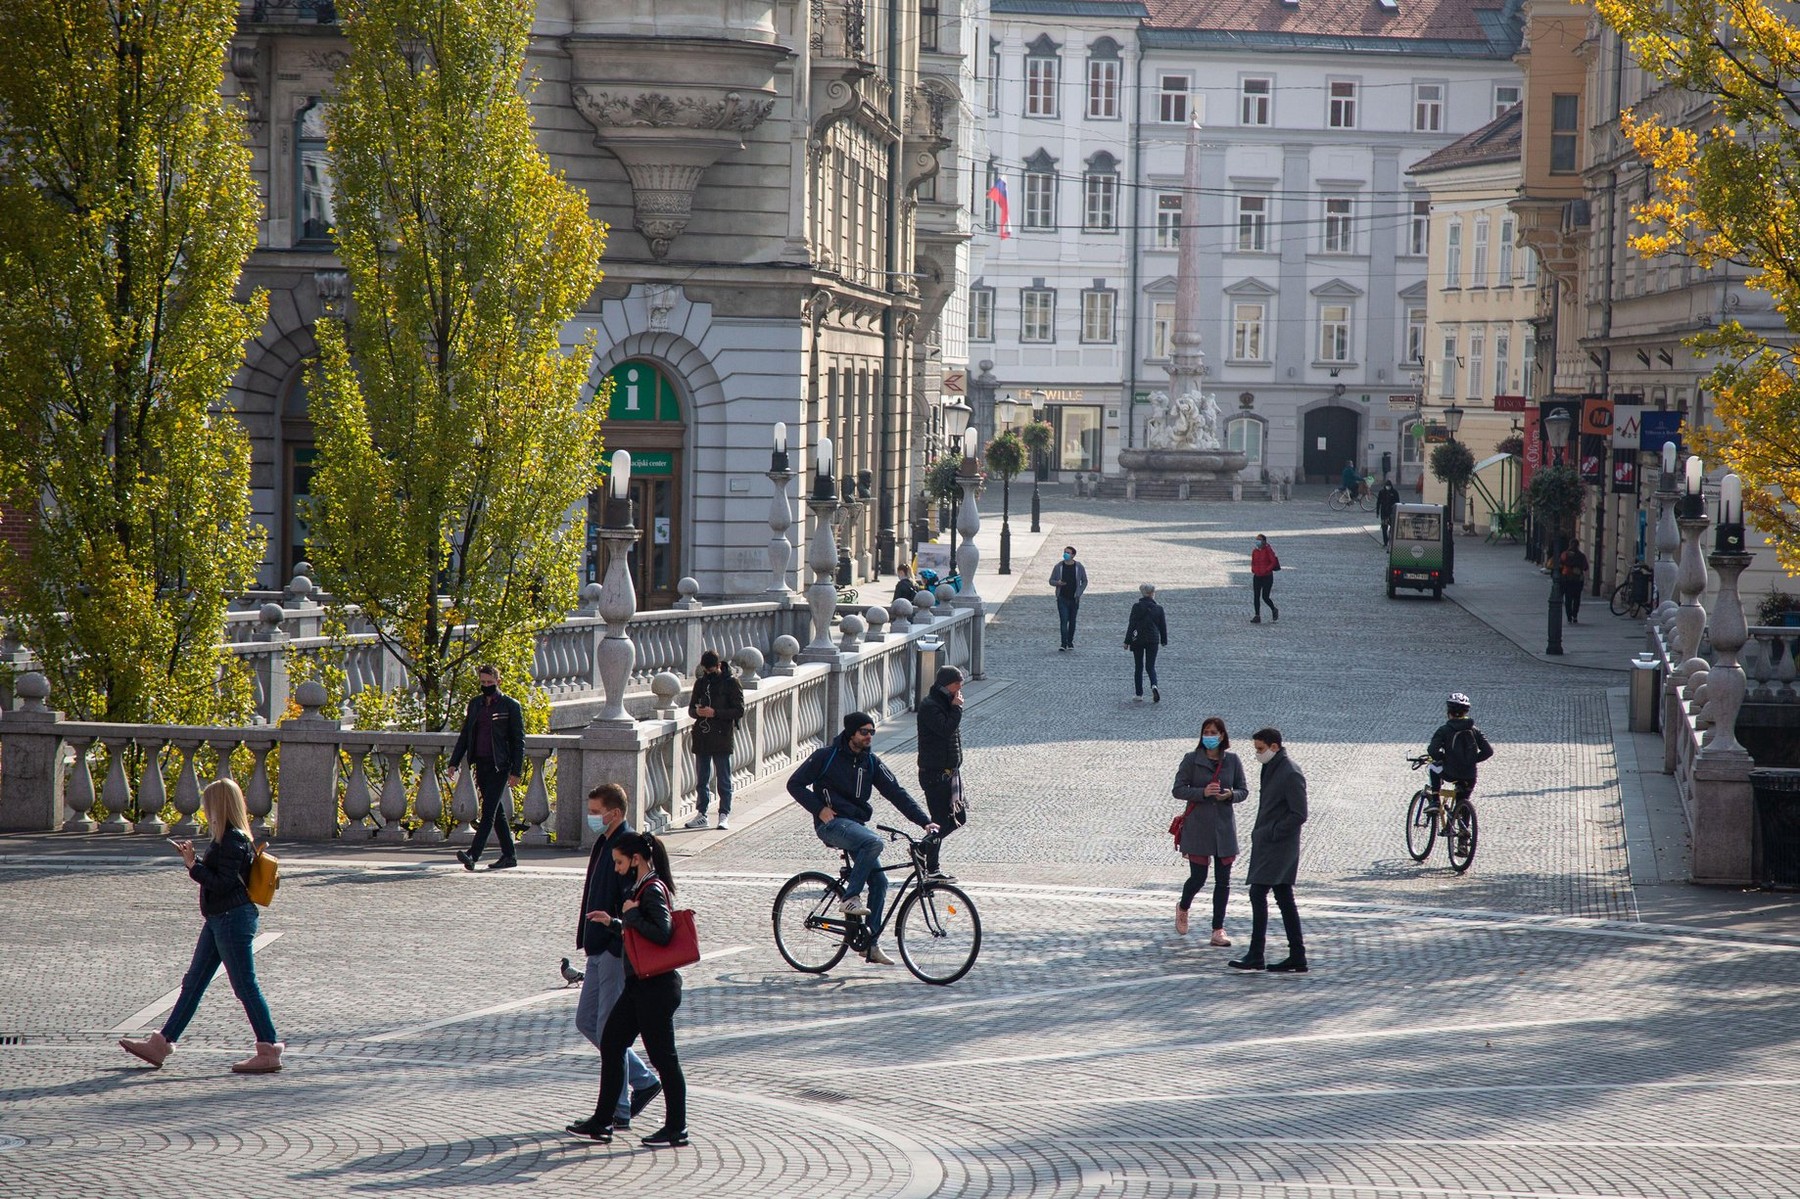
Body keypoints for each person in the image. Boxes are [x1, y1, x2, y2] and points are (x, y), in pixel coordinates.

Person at [119, 779, 284, 1074]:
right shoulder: (229, 838)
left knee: (244, 984)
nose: (206, 810)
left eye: (208, 804)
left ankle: (268, 1049)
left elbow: (223, 883)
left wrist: (193, 866)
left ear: (219, 805)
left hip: (232, 918)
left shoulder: (232, 839)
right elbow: (223, 878)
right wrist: (192, 860)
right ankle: (161, 1044)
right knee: (193, 982)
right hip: (220, 918)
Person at [787, 712, 938, 966]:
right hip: (831, 825)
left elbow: (896, 793)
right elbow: (795, 784)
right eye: (864, 732)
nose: (869, 737)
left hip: (854, 826)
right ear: (851, 734)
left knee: (879, 882)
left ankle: (870, 945)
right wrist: (819, 809)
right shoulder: (827, 756)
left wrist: (924, 821)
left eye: (872, 732)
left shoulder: (871, 762)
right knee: (873, 842)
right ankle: (849, 898)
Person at [570, 832, 689, 1147]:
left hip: (656, 989)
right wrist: (614, 922)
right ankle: (602, 1122)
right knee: (611, 1043)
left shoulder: (651, 889)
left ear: (635, 859)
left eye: (620, 862)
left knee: (664, 1059)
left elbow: (662, 934)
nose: (617, 869)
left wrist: (631, 912)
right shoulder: (643, 887)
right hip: (641, 986)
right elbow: (641, 933)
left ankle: (677, 1128)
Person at [571, 784, 662, 1131]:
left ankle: (618, 1109)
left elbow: (630, 901)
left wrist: (612, 936)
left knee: (610, 1031)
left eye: (596, 811)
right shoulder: (603, 842)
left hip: (612, 948)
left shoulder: (626, 846)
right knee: (587, 1021)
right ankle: (642, 1080)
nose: (591, 816)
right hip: (597, 945)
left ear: (615, 814)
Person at [1229, 727, 1309, 974]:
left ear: (1274, 747)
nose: (1257, 754)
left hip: (1279, 845)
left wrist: (1273, 832)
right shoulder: (1273, 767)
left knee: (1259, 893)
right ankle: (1296, 955)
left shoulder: (1290, 773)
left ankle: (1257, 953)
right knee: (1283, 897)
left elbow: (1299, 813)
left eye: (1260, 749)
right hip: (1270, 843)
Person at [1171, 717, 1248, 946]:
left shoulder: (1232, 761)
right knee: (1198, 877)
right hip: (1198, 827)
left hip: (1223, 828)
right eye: (1206, 732)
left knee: (1223, 881)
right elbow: (1178, 789)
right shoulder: (1191, 760)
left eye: (1214, 732)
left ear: (1222, 736)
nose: (1210, 736)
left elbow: (1243, 790)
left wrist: (1230, 796)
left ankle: (1218, 929)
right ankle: (1183, 906)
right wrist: (1202, 792)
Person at [448, 663, 526, 871]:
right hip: (480, 763)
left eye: (490, 682)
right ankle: (509, 855)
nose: (486, 686)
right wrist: (454, 762)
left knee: (488, 811)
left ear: (498, 682)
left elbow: (518, 741)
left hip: (500, 765)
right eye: (482, 682)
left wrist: (516, 771)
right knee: (497, 811)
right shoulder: (475, 704)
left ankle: (473, 854)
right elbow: (465, 735)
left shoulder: (510, 705)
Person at [915, 665, 968, 881]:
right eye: (957, 684)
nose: (960, 689)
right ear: (947, 684)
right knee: (939, 821)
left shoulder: (945, 702)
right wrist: (956, 709)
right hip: (934, 774)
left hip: (949, 773)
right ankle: (932, 869)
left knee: (958, 818)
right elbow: (945, 729)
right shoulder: (930, 706)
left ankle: (922, 849)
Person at [684, 650, 745, 830]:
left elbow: (739, 710)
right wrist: (698, 712)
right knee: (702, 779)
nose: (708, 674)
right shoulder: (701, 683)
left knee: (723, 778)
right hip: (702, 736)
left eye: (711, 670)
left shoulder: (731, 683)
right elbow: (690, 710)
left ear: (719, 666)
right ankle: (702, 814)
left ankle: (724, 813)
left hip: (722, 736)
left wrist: (715, 713)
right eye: (706, 671)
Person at [1427, 692, 1495, 816]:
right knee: (1463, 801)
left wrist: (1443, 758)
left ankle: (1435, 801)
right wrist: (1471, 759)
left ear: (1449, 712)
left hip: (1450, 772)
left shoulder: (1444, 730)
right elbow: (1488, 751)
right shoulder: (1474, 730)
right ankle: (1464, 831)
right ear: (1466, 712)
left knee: (1432, 766)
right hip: (1470, 775)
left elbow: (1432, 751)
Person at [1125, 583, 1169, 703]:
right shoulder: (1159, 609)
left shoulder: (1136, 607)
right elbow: (1162, 626)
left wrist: (1127, 641)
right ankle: (1154, 685)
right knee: (1150, 666)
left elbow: (1132, 624)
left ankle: (1139, 694)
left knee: (1138, 666)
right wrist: (1164, 640)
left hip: (1138, 639)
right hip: (1153, 640)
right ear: (1152, 594)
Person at [1049, 545, 1088, 650]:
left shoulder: (1079, 567)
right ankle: (1063, 643)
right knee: (1063, 620)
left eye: (1068, 552)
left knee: (1072, 621)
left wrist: (1079, 592)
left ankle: (1070, 641)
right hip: (1062, 598)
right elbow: (1051, 580)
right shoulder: (1058, 567)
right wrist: (1058, 583)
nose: (1065, 554)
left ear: (1073, 555)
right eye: (1064, 552)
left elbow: (1084, 580)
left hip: (1074, 599)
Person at [1250, 534, 1280, 624]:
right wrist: (1253, 569)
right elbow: (1253, 562)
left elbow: (1273, 561)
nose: (1257, 541)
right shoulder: (1255, 551)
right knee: (1256, 596)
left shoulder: (1268, 550)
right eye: (1256, 539)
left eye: (1259, 540)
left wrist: (1267, 570)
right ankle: (1257, 615)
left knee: (1265, 597)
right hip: (1257, 576)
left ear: (1264, 541)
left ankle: (1274, 609)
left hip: (1267, 576)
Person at [1558, 543, 1590, 623]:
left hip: (1567, 579)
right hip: (1578, 580)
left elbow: (1559, 565)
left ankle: (1569, 617)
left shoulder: (1565, 554)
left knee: (1568, 599)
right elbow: (1586, 567)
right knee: (1577, 599)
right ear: (1578, 546)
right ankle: (1575, 615)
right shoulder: (1581, 556)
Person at [1376, 478, 1400, 546]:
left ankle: (1391, 540)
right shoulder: (1381, 492)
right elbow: (1378, 503)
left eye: (1389, 486)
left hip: (1392, 513)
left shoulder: (1394, 492)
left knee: (1392, 528)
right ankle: (1385, 542)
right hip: (1384, 514)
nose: (1388, 487)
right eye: (1387, 486)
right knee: (1384, 528)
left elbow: (1398, 502)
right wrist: (1377, 512)